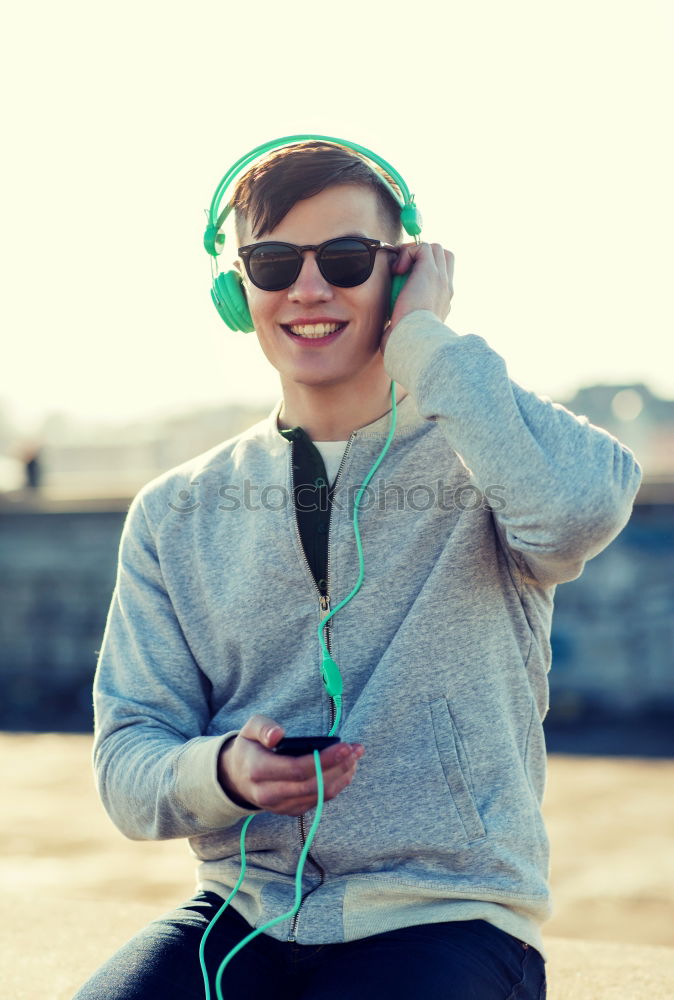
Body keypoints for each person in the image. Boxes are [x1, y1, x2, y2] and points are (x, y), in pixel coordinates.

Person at [74, 139, 642, 999]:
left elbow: (579, 512)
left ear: (402, 271)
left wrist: (428, 340)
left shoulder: (487, 457)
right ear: (239, 292)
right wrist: (223, 773)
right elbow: (127, 762)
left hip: (445, 916)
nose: (308, 289)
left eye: (345, 258)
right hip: (242, 913)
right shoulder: (175, 511)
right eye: (272, 263)